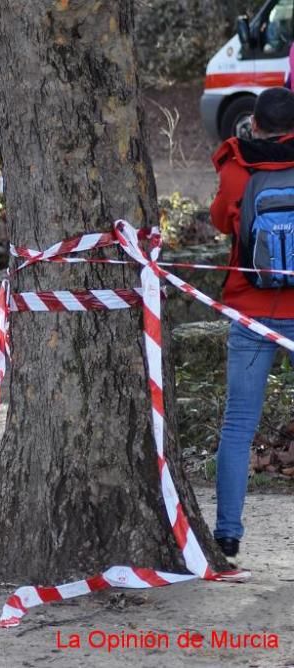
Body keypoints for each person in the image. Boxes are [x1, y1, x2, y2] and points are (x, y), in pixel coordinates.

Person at [209, 87, 294, 558]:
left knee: (239, 425)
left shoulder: (236, 166)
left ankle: (227, 533)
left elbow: (223, 220)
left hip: (252, 309)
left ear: (254, 124)